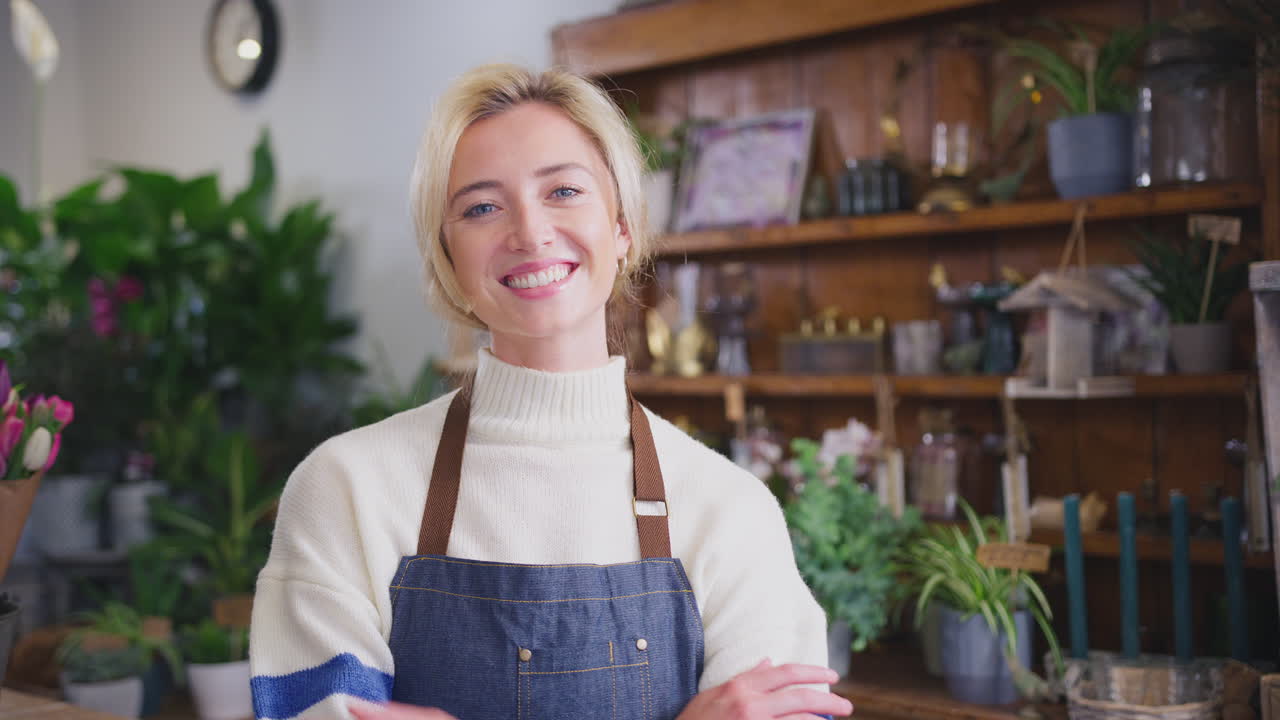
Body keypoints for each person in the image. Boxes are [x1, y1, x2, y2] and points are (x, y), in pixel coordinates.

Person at [248, 63, 852, 720]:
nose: (530, 232)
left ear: (621, 227)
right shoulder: (345, 489)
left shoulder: (729, 511)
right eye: (481, 206)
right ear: (448, 258)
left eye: (563, 191)